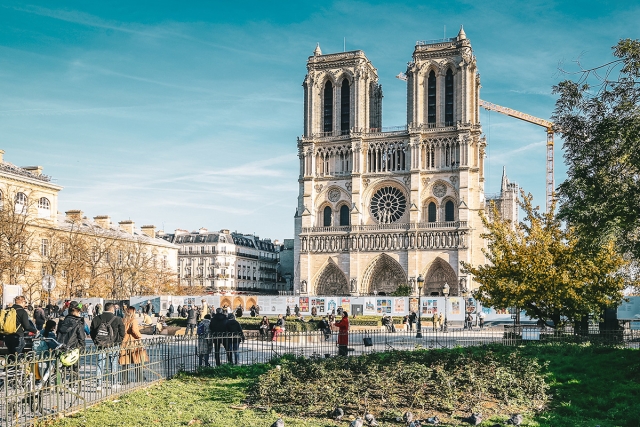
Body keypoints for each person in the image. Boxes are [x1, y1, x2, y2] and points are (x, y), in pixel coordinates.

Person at [90, 302, 126, 390]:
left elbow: (92, 332)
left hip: (101, 345)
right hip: (114, 344)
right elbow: (122, 332)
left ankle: (99, 385)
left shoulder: (96, 319)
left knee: (100, 364)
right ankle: (114, 383)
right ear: (112, 309)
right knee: (113, 364)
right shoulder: (117, 319)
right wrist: (119, 341)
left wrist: (96, 342)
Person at [119, 306, 148, 384]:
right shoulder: (133, 320)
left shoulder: (123, 320)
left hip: (125, 342)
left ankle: (124, 380)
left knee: (125, 361)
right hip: (133, 342)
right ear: (133, 312)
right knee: (137, 360)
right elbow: (134, 330)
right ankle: (139, 378)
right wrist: (139, 336)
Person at [57, 303, 86, 374]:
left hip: (61, 346)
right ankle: (72, 382)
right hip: (73, 347)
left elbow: (58, 333)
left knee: (61, 366)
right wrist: (82, 347)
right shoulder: (78, 322)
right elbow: (81, 337)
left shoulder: (62, 321)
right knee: (75, 367)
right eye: (79, 312)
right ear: (77, 312)